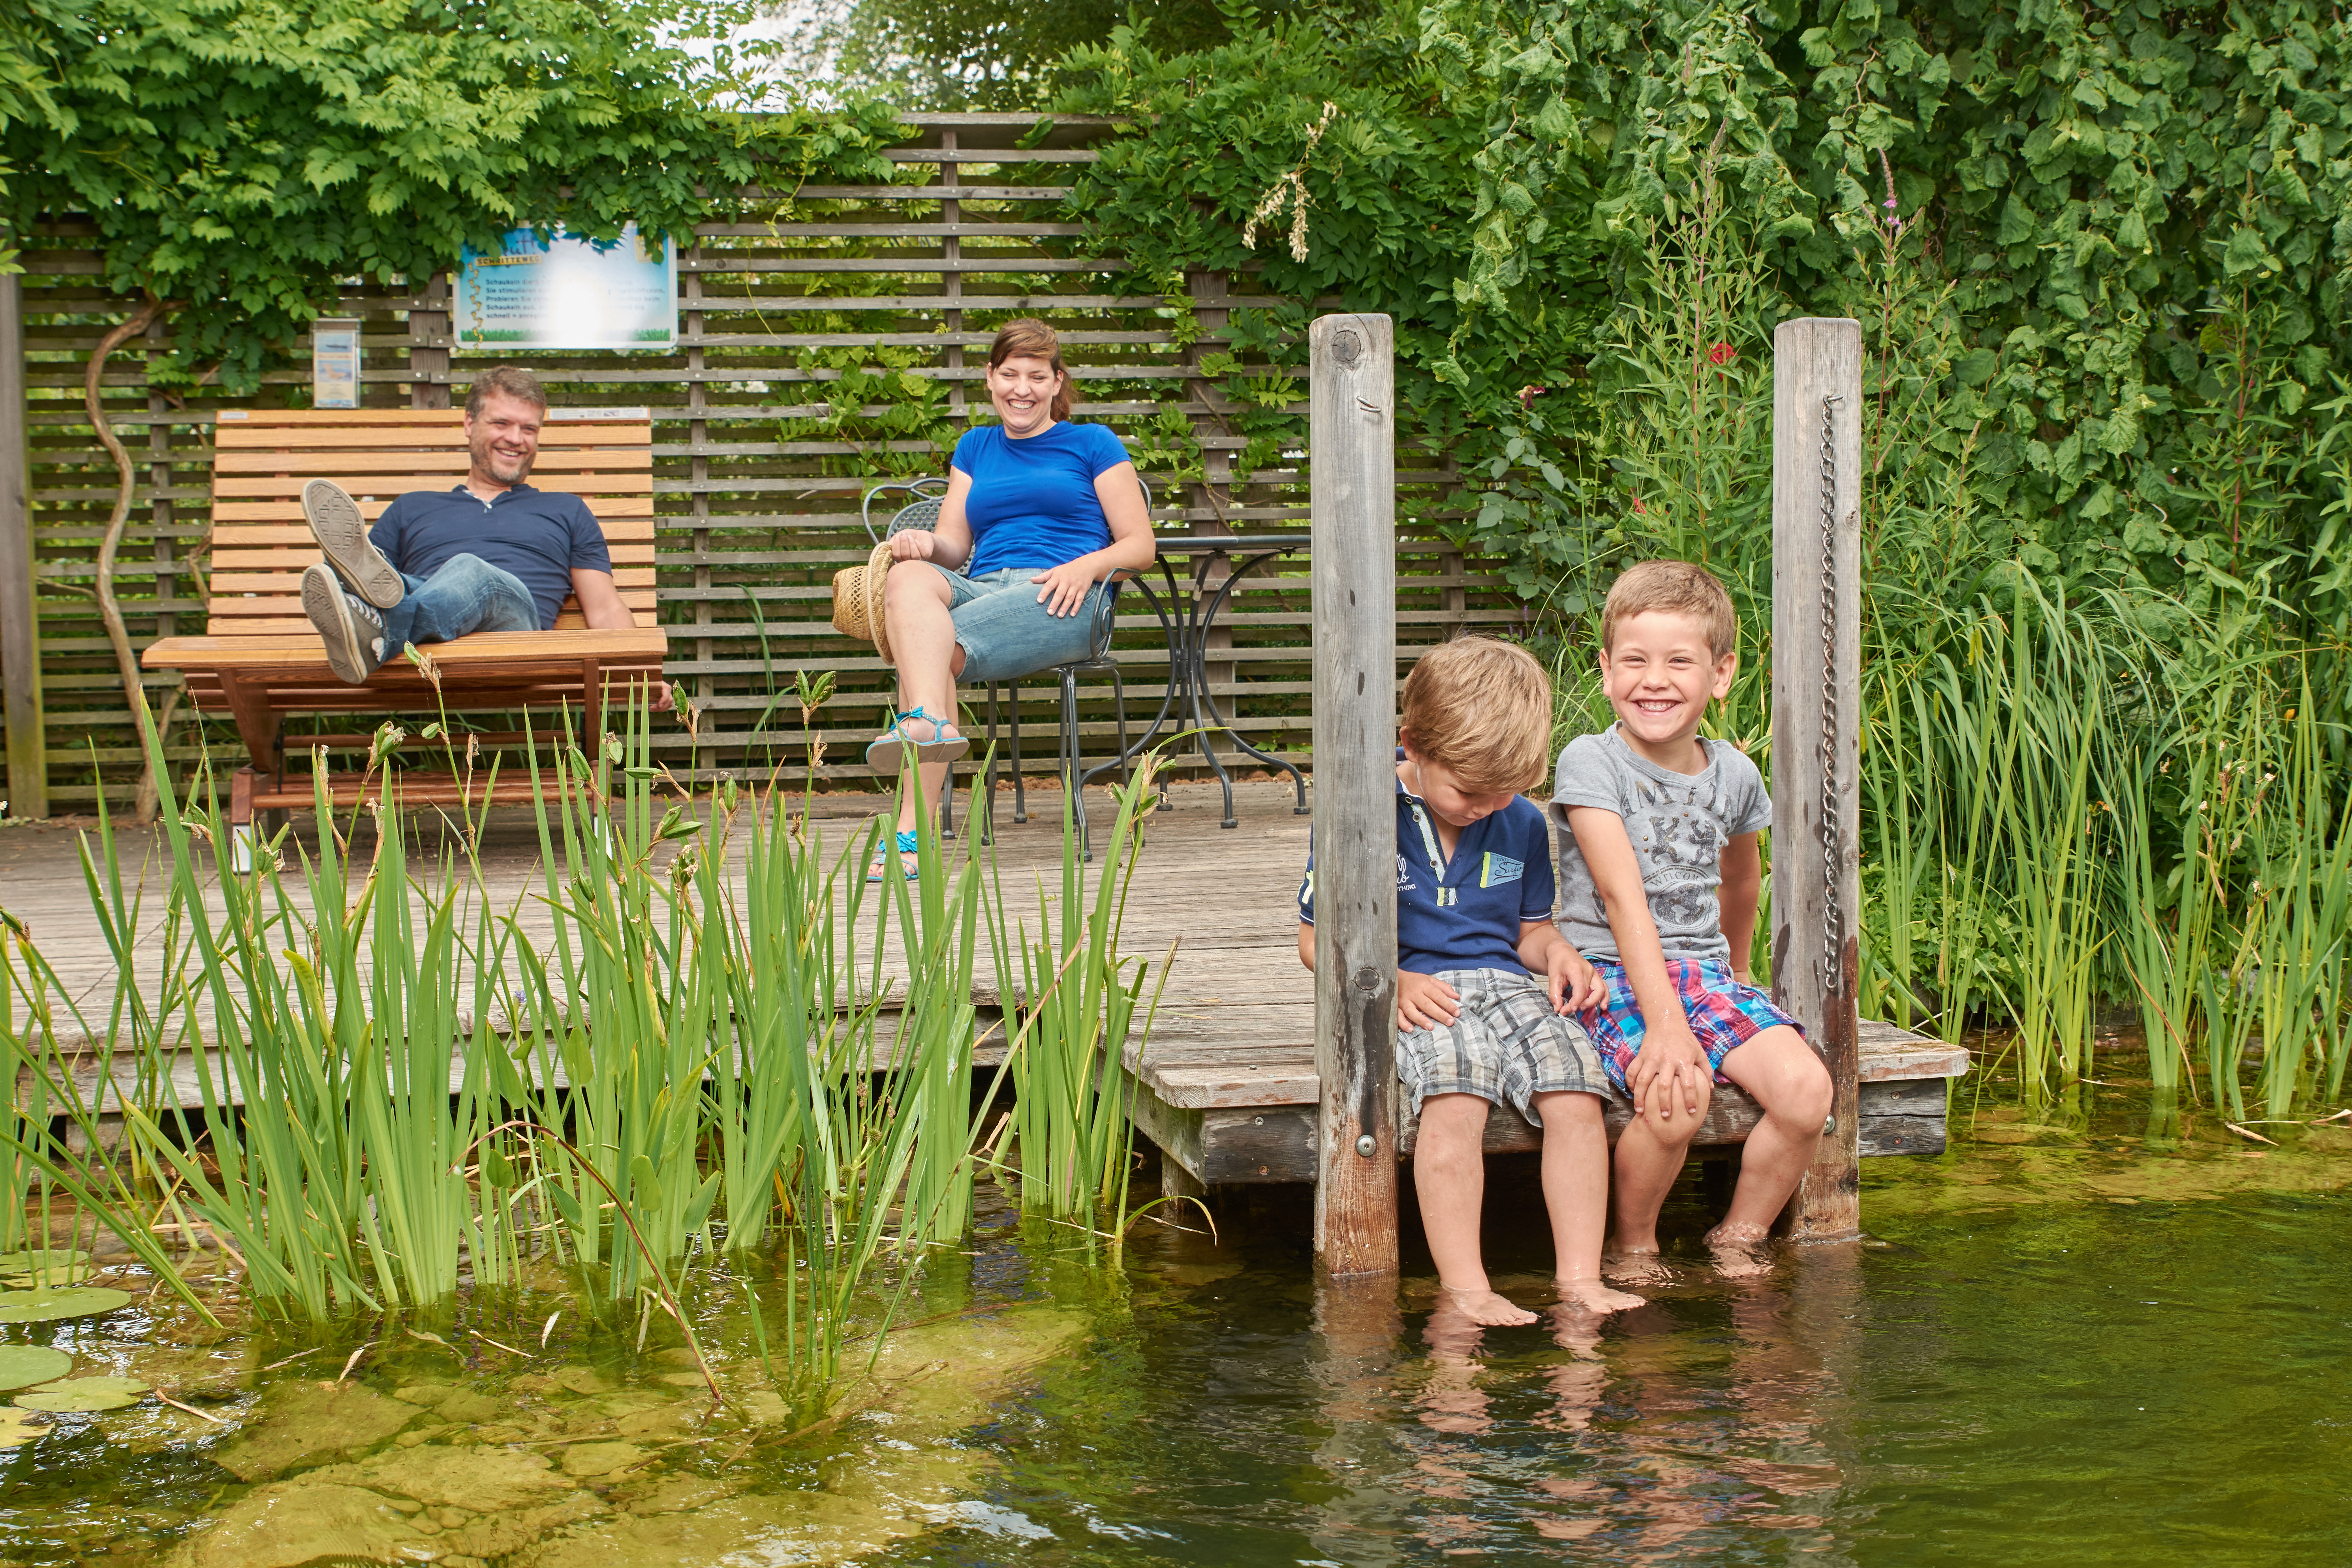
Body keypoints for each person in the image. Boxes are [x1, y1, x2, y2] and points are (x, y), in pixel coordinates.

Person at [1296, 635, 1644, 1325]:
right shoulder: (1363, 813)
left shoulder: (1518, 819)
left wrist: (1562, 955)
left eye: (1502, 791)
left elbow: (1530, 930)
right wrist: (1389, 981)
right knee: (1457, 1090)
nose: (1483, 806)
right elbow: (1315, 940)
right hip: (1417, 986)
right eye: (1468, 790)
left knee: (1577, 1084)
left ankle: (1578, 1276)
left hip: (1506, 981)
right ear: (1413, 745)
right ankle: (1467, 1284)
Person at [1550, 560, 1834, 1278]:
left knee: (1807, 1092)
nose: (1655, 680)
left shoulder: (1734, 774)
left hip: (1703, 974)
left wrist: (1737, 970)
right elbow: (1622, 900)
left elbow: (1742, 878)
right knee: (1677, 1099)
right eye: (1636, 661)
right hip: (1611, 973)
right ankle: (1634, 1244)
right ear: (1607, 670)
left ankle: (1738, 1234)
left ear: (1721, 672)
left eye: (1680, 661)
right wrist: (1667, 1024)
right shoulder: (1592, 761)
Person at [864, 318, 1153, 878]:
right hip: (985, 584)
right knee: (907, 581)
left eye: (1036, 376)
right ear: (990, 378)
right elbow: (953, 546)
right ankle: (928, 724)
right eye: (1010, 374)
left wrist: (1087, 566)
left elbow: (1140, 545)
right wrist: (925, 543)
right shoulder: (975, 446)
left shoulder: (1093, 443)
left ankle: (910, 828)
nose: (1022, 388)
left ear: (1056, 383)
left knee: (926, 653)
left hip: (1064, 593)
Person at [298, 365, 668, 708]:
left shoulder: (566, 510)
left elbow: (604, 607)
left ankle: (386, 633)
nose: (516, 439)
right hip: (427, 651)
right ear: (469, 423)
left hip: (516, 639)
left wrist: (645, 673)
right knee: (396, 584)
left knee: (473, 573)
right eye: (502, 423)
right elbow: (379, 583)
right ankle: (382, 623)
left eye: (529, 429)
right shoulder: (411, 508)